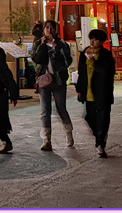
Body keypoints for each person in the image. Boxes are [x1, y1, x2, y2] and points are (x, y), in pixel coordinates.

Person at [32, 19, 74, 151]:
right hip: (44, 81)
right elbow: (36, 59)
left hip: (59, 81)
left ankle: (69, 134)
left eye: (51, 28)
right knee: (45, 111)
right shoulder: (39, 43)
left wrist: (57, 51)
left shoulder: (62, 44)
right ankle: (46, 140)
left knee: (61, 108)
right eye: (46, 28)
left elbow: (68, 62)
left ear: (56, 30)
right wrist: (42, 46)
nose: (48, 31)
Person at [76, 28, 116, 158]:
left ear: (102, 41)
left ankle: (100, 144)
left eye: (96, 39)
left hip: (103, 92)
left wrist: (95, 63)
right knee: (90, 117)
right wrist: (79, 90)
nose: (92, 42)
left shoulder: (106, 55)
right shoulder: (85, 53)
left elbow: (108, 73)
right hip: (88, 92)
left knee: (103, 119)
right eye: (91, 38)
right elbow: (81, 73)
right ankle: (100, 136)